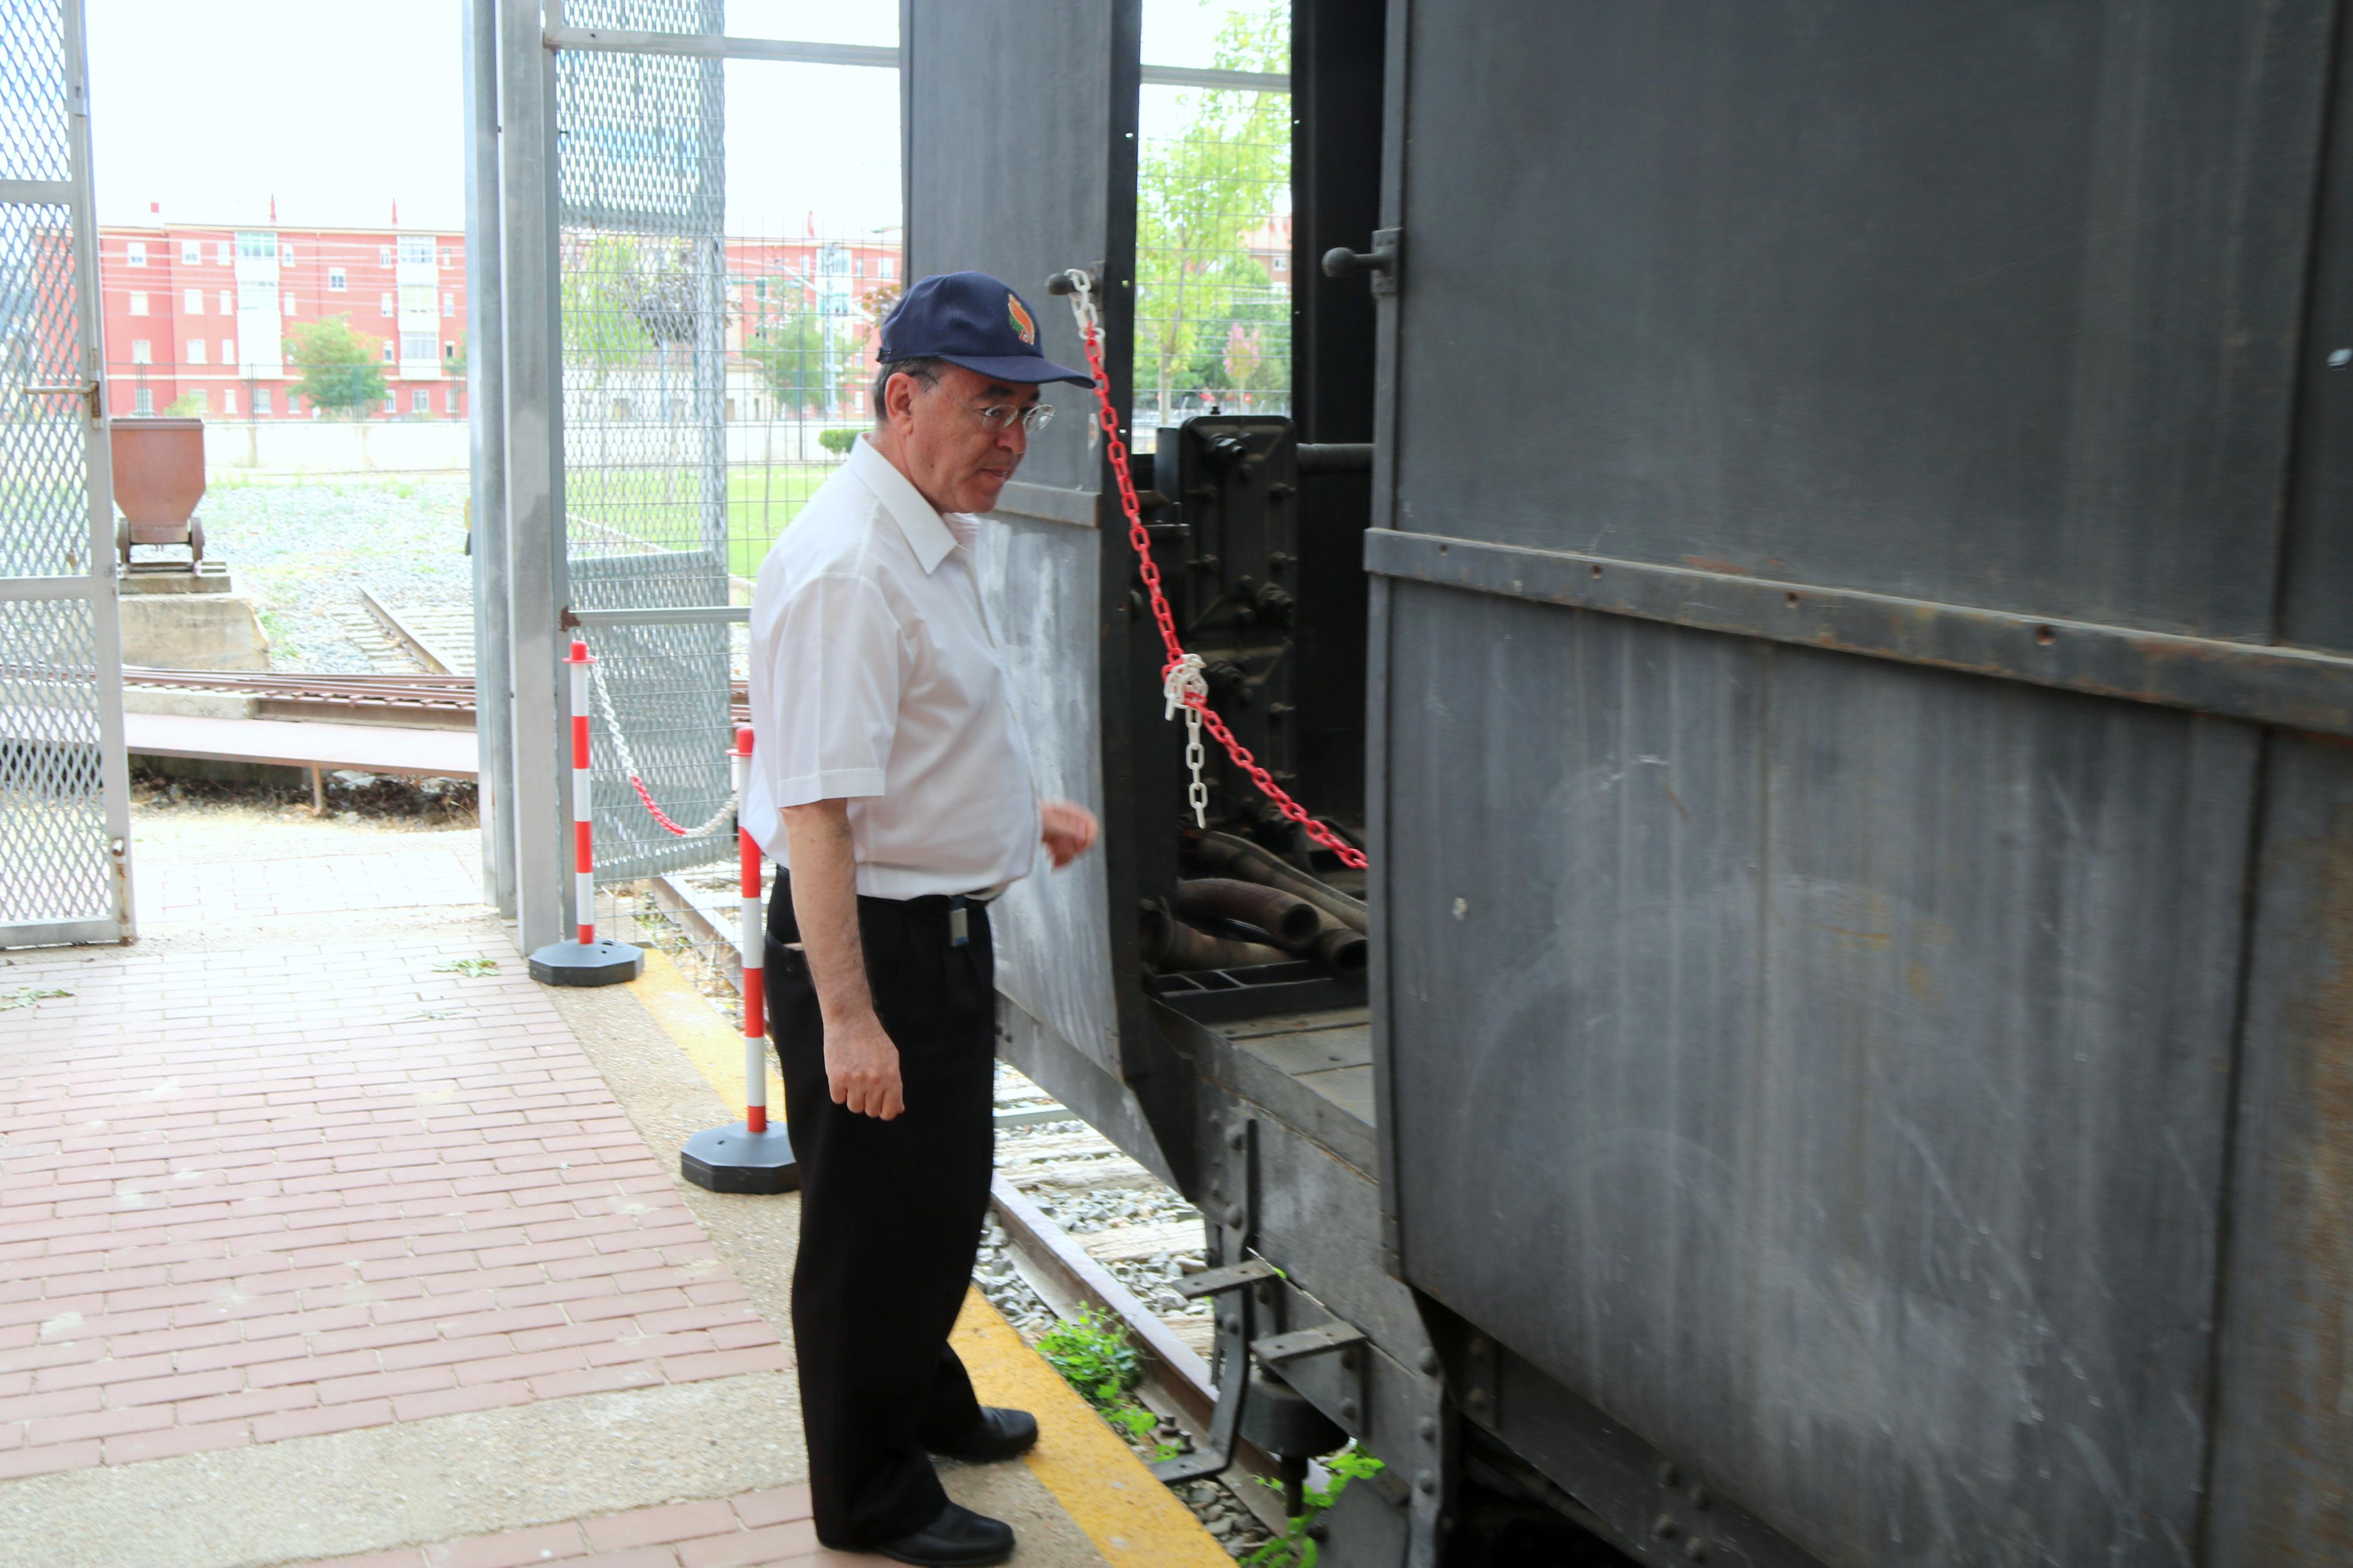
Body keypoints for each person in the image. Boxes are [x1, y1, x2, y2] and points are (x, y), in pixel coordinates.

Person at [743, 270, 1102, 1567]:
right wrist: (849, 1018)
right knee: (873, 1230)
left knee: (936, 1207)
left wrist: (1022, 818)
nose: (1011, 443)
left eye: (1025, 416)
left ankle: (924, 1403)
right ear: (904, 397)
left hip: (931, 929)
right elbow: (821, 817)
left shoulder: (923, 531)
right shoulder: (849, 566)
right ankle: (869, 1493)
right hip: (874, 952)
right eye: (990, 410)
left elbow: (920, 747)